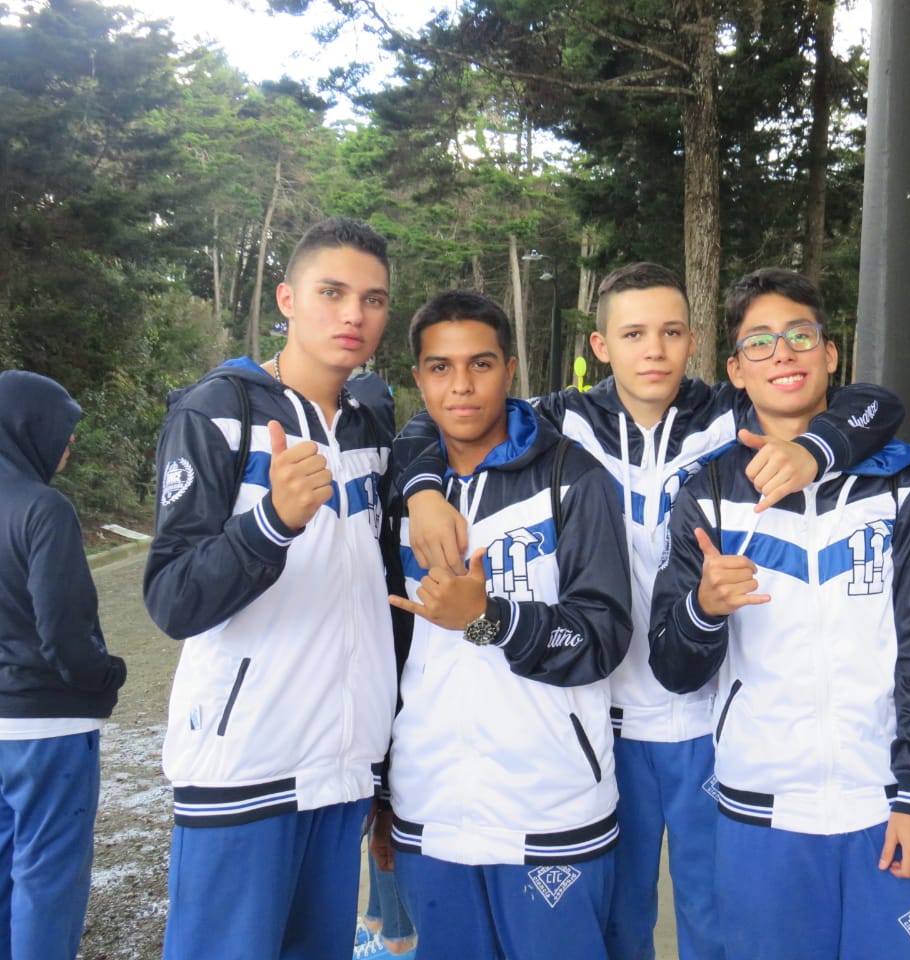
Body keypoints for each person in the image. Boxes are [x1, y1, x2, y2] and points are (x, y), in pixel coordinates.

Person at [397, 263, 905, 960]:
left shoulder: (733, 412)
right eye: (633, 334)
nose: (654, 351)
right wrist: (423, 490)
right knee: (619, 925)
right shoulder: (559, 420)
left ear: (694, 340)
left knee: (712, 919)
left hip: (708, 718)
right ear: (601, 345)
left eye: (671, 332)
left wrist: (816, 451)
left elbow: (876, 406)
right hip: (600, 721)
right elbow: (433, 420)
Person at [649, 268, 910, 960]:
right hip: (761, 809)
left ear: (830, 353)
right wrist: (703, 609)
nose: (782, 353)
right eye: (759, 342)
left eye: (800, 335)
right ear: (736, 370)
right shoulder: (706, 491)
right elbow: (673, 667)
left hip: (885, 804)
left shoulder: (900, 478)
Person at [144, 217, 399, 960]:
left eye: (373, 299)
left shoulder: (371, 428)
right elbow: (172, 598)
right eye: (332, 292)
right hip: (244, 769)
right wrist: (271, 524)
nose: (353, 315)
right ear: (287, 299)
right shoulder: (217, 411)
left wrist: (383, 767)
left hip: (342, 771)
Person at [379, 290, 633, 960]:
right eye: (441, 367)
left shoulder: (573, 478)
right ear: (419, 378)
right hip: (429, 805)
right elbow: (383, 651)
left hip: (551, 807)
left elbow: (603, 635)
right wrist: (382, 784)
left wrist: (489, 619)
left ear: (510, 369)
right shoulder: (398, 492)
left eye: (481, 364)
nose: (461, 386)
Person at [0, 370, 127, 960]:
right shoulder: (43, 509)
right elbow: (65, 633)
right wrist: (107, 675)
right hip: (48, 724)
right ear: (29, 428)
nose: (69, 443)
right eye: (62, 429)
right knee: (48, 874)